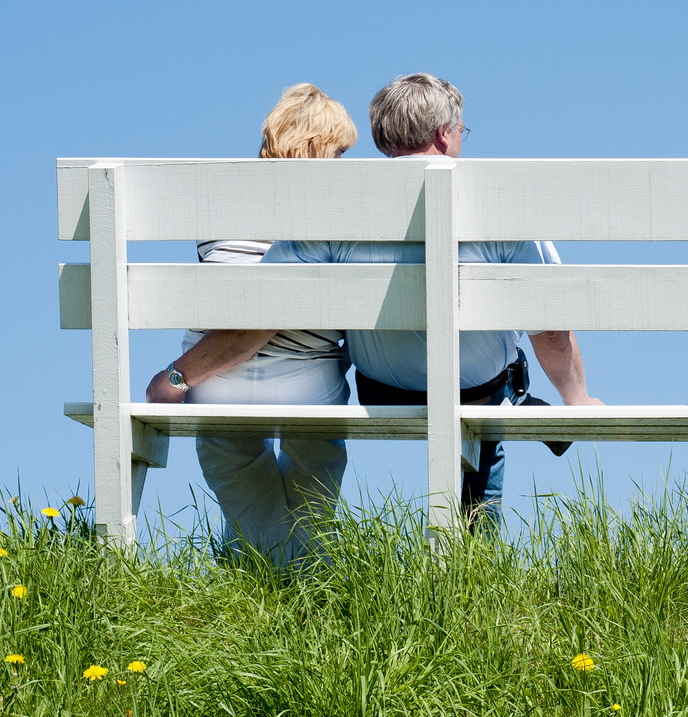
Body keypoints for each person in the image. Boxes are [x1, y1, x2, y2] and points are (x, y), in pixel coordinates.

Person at [166, 73, 602, 532]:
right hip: (474, 391)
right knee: (491, 390)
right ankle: (477, 560)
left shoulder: (339, 203)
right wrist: (578, 400)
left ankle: (273, 571)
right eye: (461, 132)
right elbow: (548, 326)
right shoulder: (499, 198)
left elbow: (273, 304)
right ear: (443, 134)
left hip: (382, 390)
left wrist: (180, 374)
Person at [145, 83, 357, 565]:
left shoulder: (215, 202)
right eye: (340, 152)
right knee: (315, 461)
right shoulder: (341, 211)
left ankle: (260, 581)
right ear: (317, 149)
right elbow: (264, 320)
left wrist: (177, 377)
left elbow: (248, 320)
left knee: (233, 457)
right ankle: (306, 581)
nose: (344, 164)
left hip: (214, 384)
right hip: (311, 387)